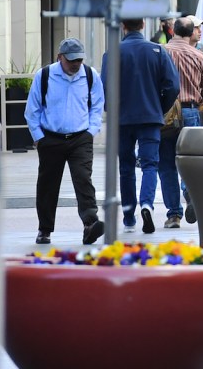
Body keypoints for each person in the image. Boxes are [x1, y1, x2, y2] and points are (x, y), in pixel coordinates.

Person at [25, 38, 106, 245]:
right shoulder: (44, 76)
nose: (75, 64)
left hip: (80, 137)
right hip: (51, 138)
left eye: (79, 60)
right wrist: (39, 138)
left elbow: (97, 105)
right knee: (47, 185)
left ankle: (90, 223)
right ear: (59, 57)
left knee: (83, 179)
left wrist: (91, 131)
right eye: (71, 60)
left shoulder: (90, 75)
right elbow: (32, 110)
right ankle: (44, 229)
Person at [102, 18, 179, 234]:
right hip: (150, 117)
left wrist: (112, 109)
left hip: (122, 119)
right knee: (150, 164)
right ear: (143, 25)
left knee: (126, 167)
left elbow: (104, 87)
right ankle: (147, 204)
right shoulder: (157, 50)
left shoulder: (112, 53)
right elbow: (173, 85)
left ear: (123, 26)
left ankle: (128, 215)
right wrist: (159, 106)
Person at [161, 17, 203, 228]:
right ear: (191, 32)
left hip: (164, 113)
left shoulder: (160, 53)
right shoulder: (200, 56)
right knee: (189, 160)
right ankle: (189, 192)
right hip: (191, 111)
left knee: (165, 164)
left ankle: (173, 215)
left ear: (173, 30)